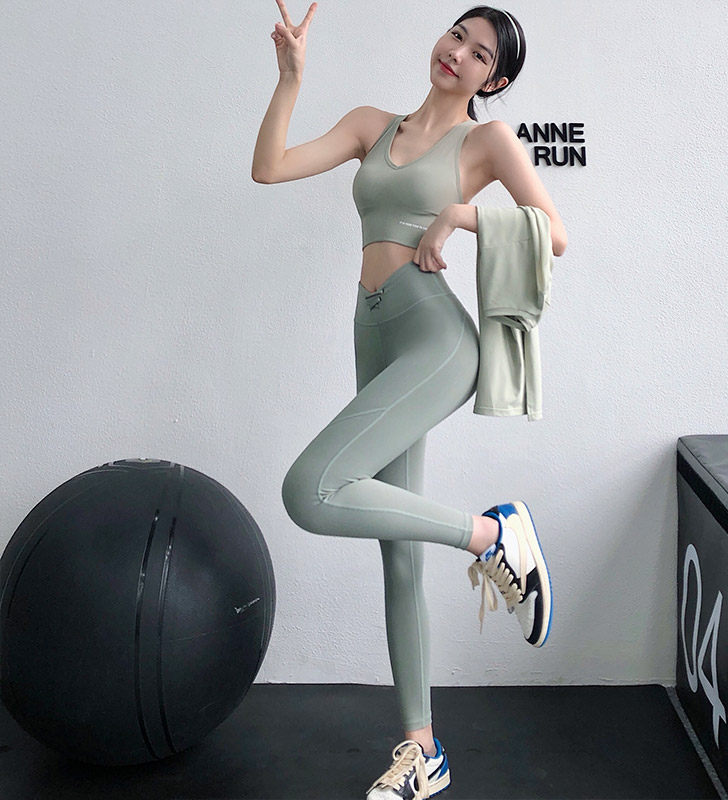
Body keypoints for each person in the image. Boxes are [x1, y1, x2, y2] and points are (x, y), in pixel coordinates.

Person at [252, 3, 567, 797]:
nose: (458, 52)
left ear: (493, 80)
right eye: (457, 34)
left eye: (480, 54)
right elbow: (270, 167)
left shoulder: (487, 142)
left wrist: (461, 213)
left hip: (436, 340)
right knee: (397, 551)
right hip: (374, 329)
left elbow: (554, 232)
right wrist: (290, 79)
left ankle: (492, 535)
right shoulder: (372, 124)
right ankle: (423, 751)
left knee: (311, 489)